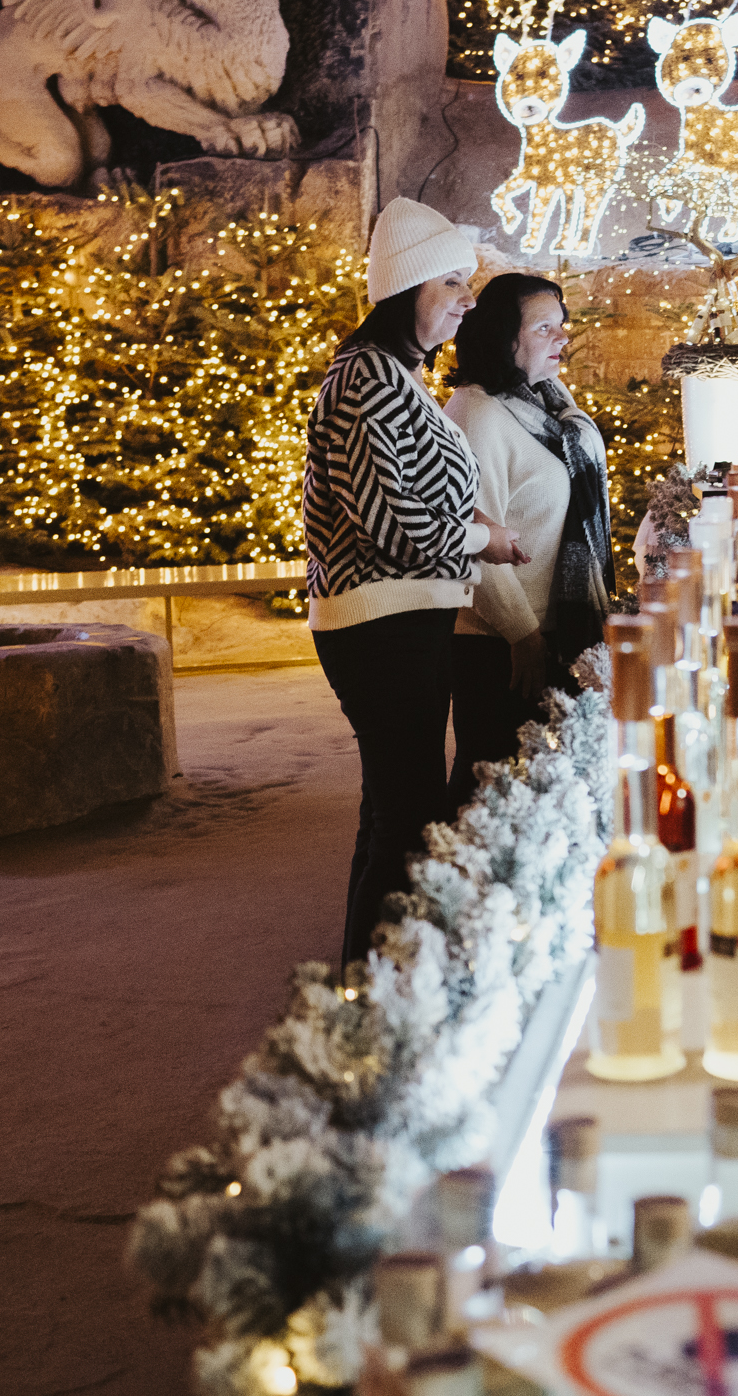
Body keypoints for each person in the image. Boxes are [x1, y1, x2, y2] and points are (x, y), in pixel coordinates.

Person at [303, 198, 525, 983]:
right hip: (381, 627)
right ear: (406, 286)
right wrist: (482, 538)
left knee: (394, 811)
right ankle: (376, 997)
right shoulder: (366, 380)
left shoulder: (393, 373)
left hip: (403, 622)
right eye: (453, 284)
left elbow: (414, 496)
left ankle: (370, 982)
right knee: (405, 817)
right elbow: (389, 525)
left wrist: (469, 520)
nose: (467, 301)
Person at [446, 273, 613, 791]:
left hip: (555, 631)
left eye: (561, 325)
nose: (562, 337)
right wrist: (523, 635)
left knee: (543, 786)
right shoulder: (477, 413)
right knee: (493, 786)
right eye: (544, 328)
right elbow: (471, 537)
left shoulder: (546, 400)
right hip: (502, 643)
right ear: (504, 337)